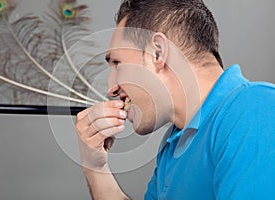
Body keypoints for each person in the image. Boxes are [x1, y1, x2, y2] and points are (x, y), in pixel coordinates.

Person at [75, 0, 275, 199]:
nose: (112, 89)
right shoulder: (174, 144)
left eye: (118, 63)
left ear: (157, 53)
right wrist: (95, 167)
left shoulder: (256, 110)